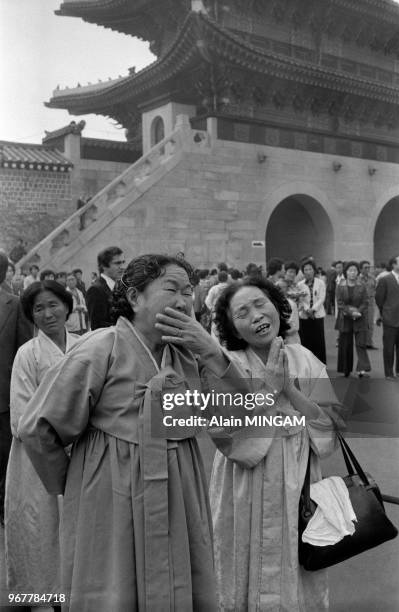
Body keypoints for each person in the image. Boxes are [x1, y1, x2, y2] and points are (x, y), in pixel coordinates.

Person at [18, 254, 249, 611]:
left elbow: (243, 415)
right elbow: (38, 427)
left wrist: (212, 351)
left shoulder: (189, 356)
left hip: (180, 489)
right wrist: (75, 483)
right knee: (114, 586)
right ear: (134, 297)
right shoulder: (100, 348)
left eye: (189, 292)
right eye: (171, 288)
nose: (182, 300)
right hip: (111, 493)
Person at [209, 276, 342, 611]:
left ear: (277, 308)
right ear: (234, 330)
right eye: (241, 313)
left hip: (299, 476)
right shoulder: (227, 367)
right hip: (245, 481)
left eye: (260, 303)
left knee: (297, 560)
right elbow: (230, 438)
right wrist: (269, 390)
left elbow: (328, 427)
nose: (255, 314)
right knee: (244, 556)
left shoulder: (305, 358)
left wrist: (289, 389)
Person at [5, 281, 79, 611]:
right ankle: (39, 595)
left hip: (82, 452)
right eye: (38, 308)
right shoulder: (28, 354)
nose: (47, 313)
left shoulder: (84, 346)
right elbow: (22, 417)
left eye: (53, 305)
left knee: (77, 526)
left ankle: (76, 590)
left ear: (67, 306)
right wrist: (58, 438)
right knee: (40, 528)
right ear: (31, 316)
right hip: (37, 456)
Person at [0, 251, 32, 527]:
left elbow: (23, 352)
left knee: (2, 459)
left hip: (3, 399)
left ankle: (3, 507)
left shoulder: (15, 305)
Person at [335, 261, 371, 378]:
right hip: (345, 318)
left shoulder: (362, 286)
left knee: (361, 344)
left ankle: (362, 369)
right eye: (350, 270)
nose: (352, 273)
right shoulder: (340, 286)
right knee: (345, 344)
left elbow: (366, 302)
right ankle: (346, 369)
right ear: (346, 272)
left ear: (357, 272)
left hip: (360, 318)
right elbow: (339, 303)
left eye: (354, 270)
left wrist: (358, 312)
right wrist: (351, 312)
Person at [375, 255, 399, 379]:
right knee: (389, 347)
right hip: (390, 318)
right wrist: (384, 311)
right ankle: (389, 372)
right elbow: (379, 299)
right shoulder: (385, 279)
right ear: (394, 264)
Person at [86, 246, 125, 329]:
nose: (122, 267)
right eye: (117, 263)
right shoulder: (95, 290)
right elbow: (97, 327)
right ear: (103, 266)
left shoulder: (120, 286)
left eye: (123, 262)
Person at [297, 260, 327, 363]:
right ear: (303, 272)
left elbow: (321, 298)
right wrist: (307, 310)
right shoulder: (300, 285)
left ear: (314, 270)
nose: (308, 271)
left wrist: (313, 309)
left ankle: (320, 363)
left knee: (318, 340)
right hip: (304, 316)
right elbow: (300, 300)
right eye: (306, 269)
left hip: (317, 315)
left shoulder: (320, 282)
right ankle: (307, 364)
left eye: (310, 269)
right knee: (306, 340)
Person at [359, 261, 377, 349]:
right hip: (360, 304)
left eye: (368, 267)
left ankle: (369, 343)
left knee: (370, 323)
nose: (367, 269)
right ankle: (361, 343)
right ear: (360, 269)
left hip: (370, 303)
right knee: (361, 323)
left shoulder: (372, 278)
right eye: (365, 267)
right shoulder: (357, 279)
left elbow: (375, 289)